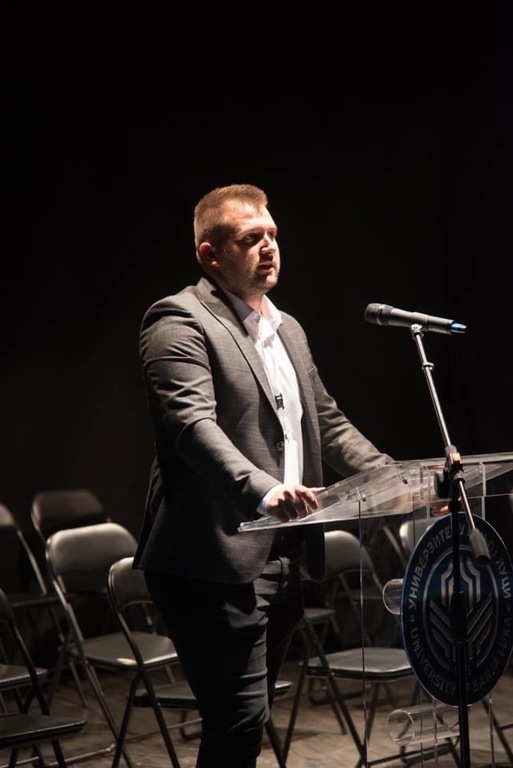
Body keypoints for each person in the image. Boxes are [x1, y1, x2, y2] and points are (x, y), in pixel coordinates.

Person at [133, 183, 394, 767]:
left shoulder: (287, 328)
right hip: (212, 557)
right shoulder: (178, 319)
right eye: (252, 239)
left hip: (284, 554)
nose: (269, 247)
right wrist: (266, 489)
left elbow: (327, 423)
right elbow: (191, 426)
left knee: (245, 725)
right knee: (238, 723)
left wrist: (396, 478)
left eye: (272, 235)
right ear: (210, 254)